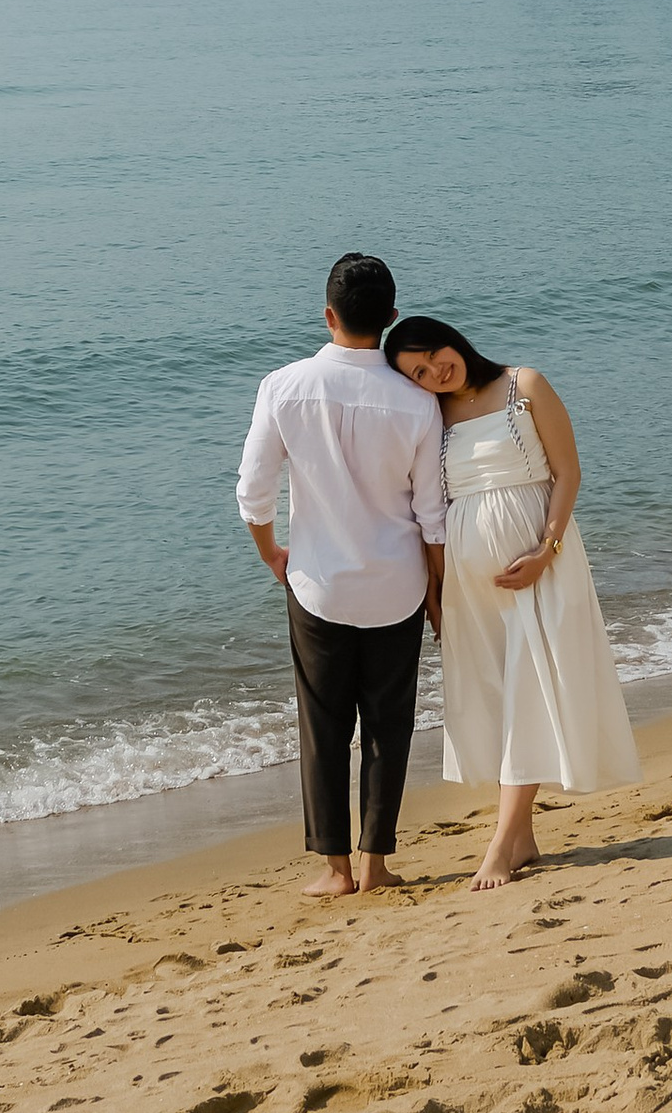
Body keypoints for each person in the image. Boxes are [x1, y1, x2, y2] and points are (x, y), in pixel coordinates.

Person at [384, 316, 639, 889]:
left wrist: (547, 550)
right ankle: (521, 835)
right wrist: (436, 586)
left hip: (540, 565)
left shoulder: (525, 386)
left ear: (453, 338)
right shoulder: (434, 415)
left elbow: (568, 472)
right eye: (418, 373)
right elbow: (426, 505)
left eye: (433, 354)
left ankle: (501, 844)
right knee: (501, 698)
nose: (434, 371)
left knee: (532, 689)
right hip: (469, 586)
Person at [237, 251, 447, 900]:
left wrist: (272, 553)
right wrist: (437, 597)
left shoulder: (284, 385)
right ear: (388, 317)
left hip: (319, 585)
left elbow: (253, 490)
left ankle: (336, 869)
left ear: (327, 314)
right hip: (397, 586)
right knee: (390, 725)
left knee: (323, 726)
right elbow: (432, 516)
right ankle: (378, 863)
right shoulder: (416, 401)